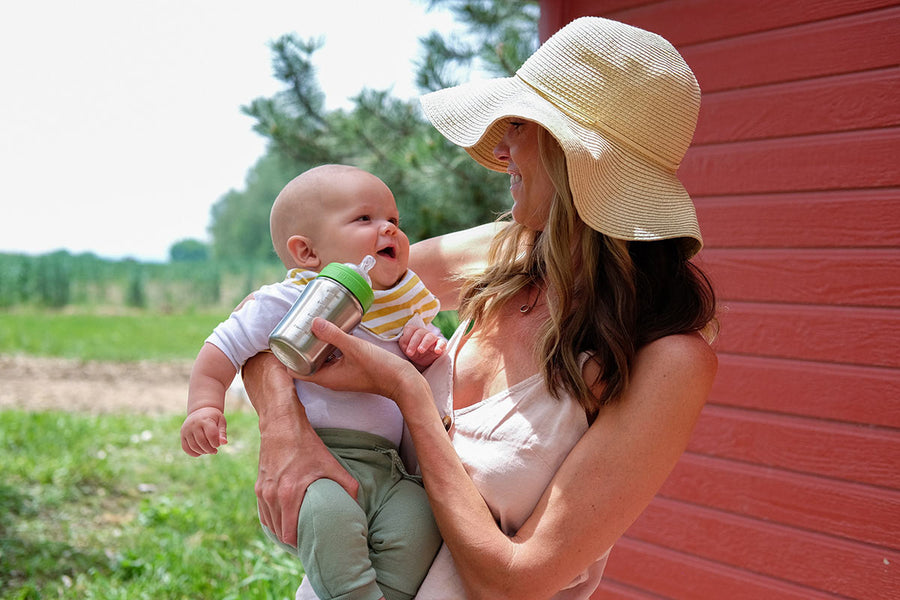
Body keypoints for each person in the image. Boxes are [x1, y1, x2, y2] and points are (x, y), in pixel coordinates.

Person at [243, 16, 718, 599]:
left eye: (519, 125)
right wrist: (283, 428)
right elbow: (278, 311)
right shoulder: (502, 255)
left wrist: (408, 393)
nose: (500, 146)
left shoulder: (668, 358)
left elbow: (514, 581)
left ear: (575, 161)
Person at [180, 164, 445, 600]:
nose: (389, 230)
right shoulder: (289, 299)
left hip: (391, 467)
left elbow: (424, 347)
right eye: (365, 219)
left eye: (394, 221)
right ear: (306, 253)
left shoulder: (399, 304)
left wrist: (423, 343)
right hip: (320, 461)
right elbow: (222, 347)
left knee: (421, 517)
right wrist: (204, 406)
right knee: (329, 519)